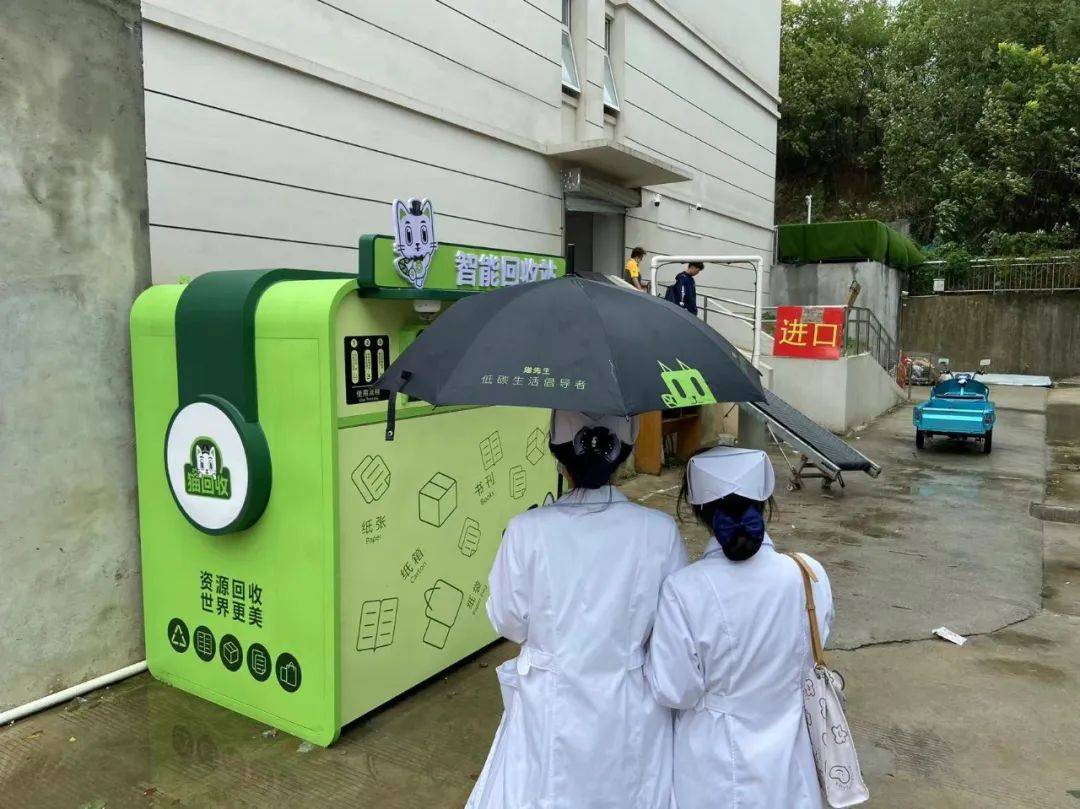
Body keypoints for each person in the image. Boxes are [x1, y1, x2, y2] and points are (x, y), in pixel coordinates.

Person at [467, 410, 688, 809]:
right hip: (629, 706)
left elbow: (508, 621)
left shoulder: (526, 530)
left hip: (547, 704)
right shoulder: (659, 530)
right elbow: (674, 631)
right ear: (624, 453)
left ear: (559, 458)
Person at [645, 447, 834, 809]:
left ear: (699, 511)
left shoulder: (683, 590)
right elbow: (816, 644)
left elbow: (676, 690)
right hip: (792, 758)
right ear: (765, 501)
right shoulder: (808, 574)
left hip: (713, 767)